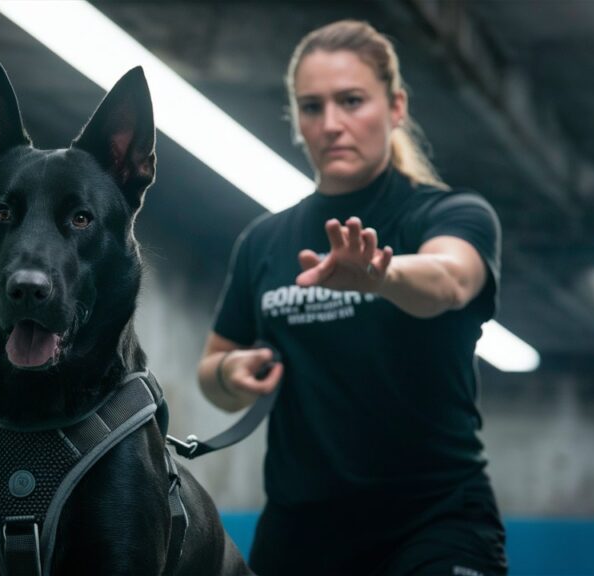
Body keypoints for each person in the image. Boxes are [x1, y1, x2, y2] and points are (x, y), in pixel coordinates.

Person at [196, 20, 508, 575]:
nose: (332, 124)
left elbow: (450, 279)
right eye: (312, 107)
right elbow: (212, 371)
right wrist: (231, 374)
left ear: (396, 108)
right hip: (302, 533)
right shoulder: (264, 243)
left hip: (435, 521)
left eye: (352, 101)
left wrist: (381, 277)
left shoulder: (450, 213)